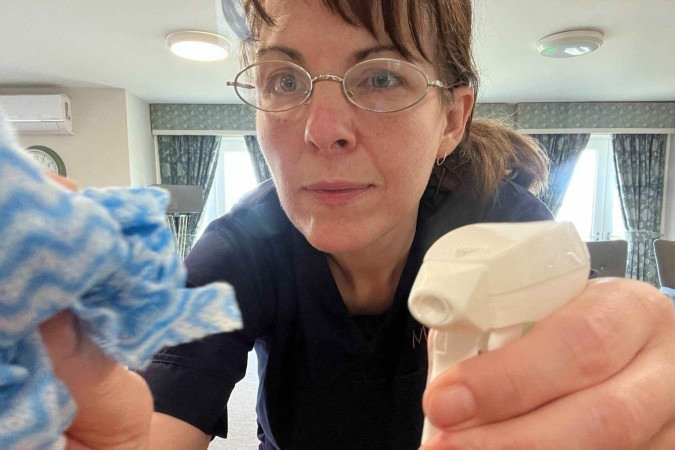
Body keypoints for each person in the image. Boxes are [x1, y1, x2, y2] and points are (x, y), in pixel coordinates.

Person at [40, 0, 675, 448]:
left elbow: (585, 375)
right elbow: (151, 425)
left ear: (451, 120)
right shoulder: (242, 248)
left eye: (380, 77)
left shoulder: (502, 226)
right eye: (284, 80)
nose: (322, 131)